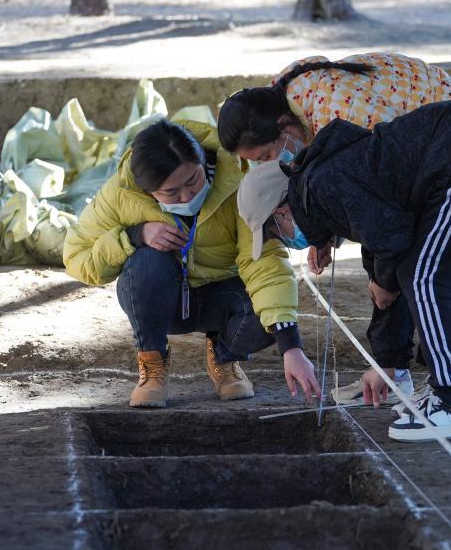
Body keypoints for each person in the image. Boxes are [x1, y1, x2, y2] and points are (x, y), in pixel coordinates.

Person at [237, 99, 451, 441]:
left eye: (276, 232)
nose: (287, 239)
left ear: (281, 211)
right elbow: (385, 245)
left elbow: (392, 243)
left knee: (425, 277)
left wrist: (383, 281)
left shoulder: (325, 185)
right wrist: (389, 359)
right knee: (448, 279)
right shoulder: (330, 179)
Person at [217, 52, 451, 406]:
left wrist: (382, 281)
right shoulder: (293, 103)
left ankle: (442, 389)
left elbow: (380, 212)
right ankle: (400, 372)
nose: (271, 166)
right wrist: (323, 233)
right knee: (400, 263)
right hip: (433, 146)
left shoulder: (336, 111)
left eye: (265, 156)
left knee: (416, 271)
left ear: (284, 126)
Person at [63, 118, 321, 408]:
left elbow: (263, 262)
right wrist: (133, 235)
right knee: (147, 261)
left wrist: (291, 347)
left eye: (193, 180)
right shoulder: (122, 193)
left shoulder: (238, 182)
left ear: (202, 161)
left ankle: (224, 358)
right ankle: (152, 363)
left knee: (266, 313)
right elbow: (76, 258)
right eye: (171, 193)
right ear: (147, 189)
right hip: (164, 299)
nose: (187, 196)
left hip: (222, 296)